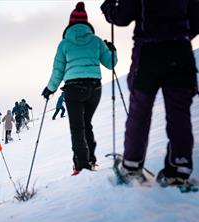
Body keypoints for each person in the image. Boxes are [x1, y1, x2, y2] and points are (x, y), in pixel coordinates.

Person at [101, 0, 199, 185]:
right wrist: (179, 35)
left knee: (140, 111)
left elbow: (122, 16)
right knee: (179, 113)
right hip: (180, 50)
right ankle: (179, 167)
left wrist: (108, 8)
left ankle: (131, 166)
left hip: (148, 52)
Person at [42, 2, 117, 175]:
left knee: (77, 127)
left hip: (73, 89)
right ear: (86, 23)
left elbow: (58, 71)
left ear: (70, 24)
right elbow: (111, 63)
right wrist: (112, 50)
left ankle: (81, 165)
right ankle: (91, 160)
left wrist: (49, 89)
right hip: (94, 88)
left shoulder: (64, 44)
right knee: (86, 123)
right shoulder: (97, 41)